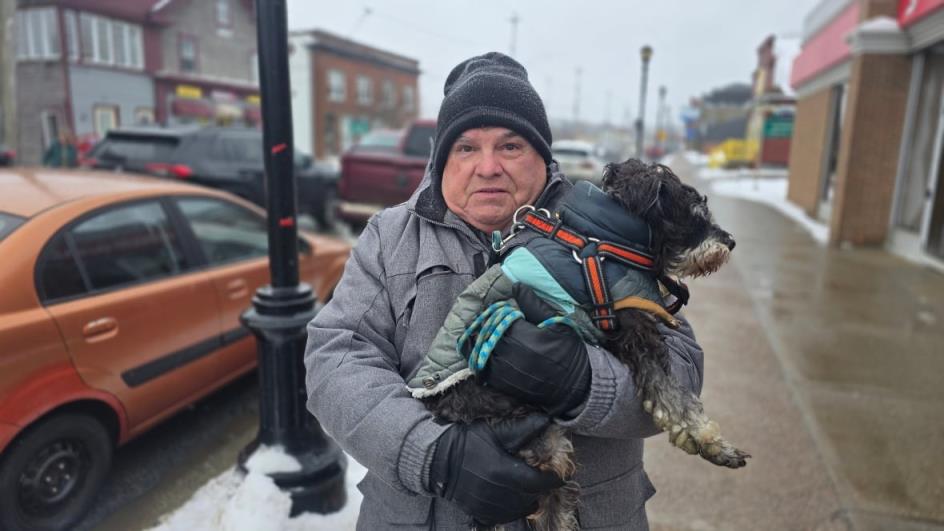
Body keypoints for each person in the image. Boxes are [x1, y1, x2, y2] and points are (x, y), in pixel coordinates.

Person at [305, 52, 705, 530]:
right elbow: (335, 360)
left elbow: (682, 373)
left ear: (542, 154)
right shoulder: (390, 238)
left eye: (511, 146)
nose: (488, 167)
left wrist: (583, 381)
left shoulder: (609, 233)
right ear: (441, 159)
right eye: (466, 147)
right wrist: (435, 456)